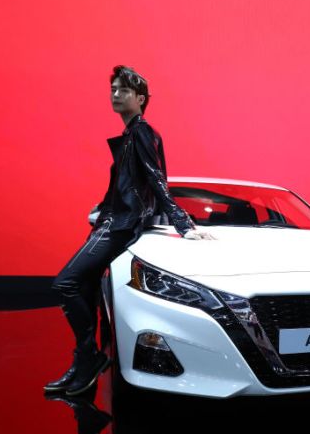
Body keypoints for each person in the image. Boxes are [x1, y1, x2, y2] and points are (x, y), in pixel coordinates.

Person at [45, 65, 213, 396]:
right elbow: (128, 183)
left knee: (65, 284)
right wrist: (102, 205)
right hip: (111, 219)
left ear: (140, 98)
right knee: (88, 287)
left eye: (123, 90)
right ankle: (84, 361)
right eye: (113, 90)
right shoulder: (130, 135)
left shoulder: (142, 133)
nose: (116, 95)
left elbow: (156, 178)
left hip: (120, 225)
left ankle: (89, 357)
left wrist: (183, 222)